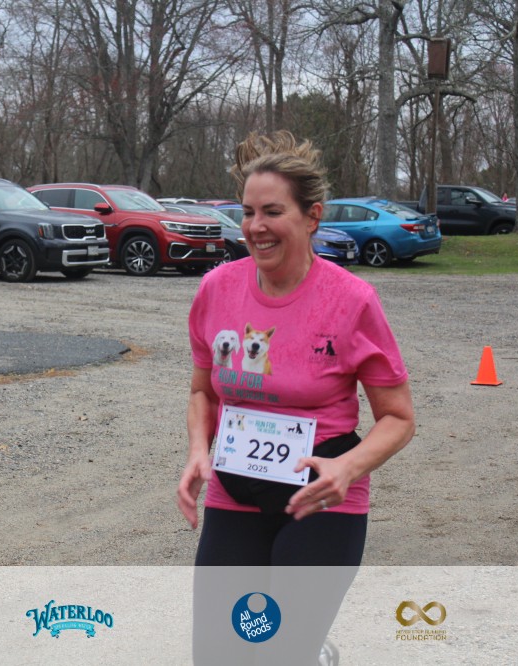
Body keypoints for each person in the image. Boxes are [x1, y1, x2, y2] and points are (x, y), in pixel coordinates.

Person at [177, 131, 415, 664]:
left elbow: (399, 418)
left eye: (272, 212)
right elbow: (202, 391)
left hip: (322, 494)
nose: (255, 227)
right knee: (217, 653)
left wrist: (348, 468)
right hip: (237, 486)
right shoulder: (217, 289)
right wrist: (197, 450)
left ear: (312, 217)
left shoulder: (351, 300)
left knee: (281, 651)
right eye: (247, 213)